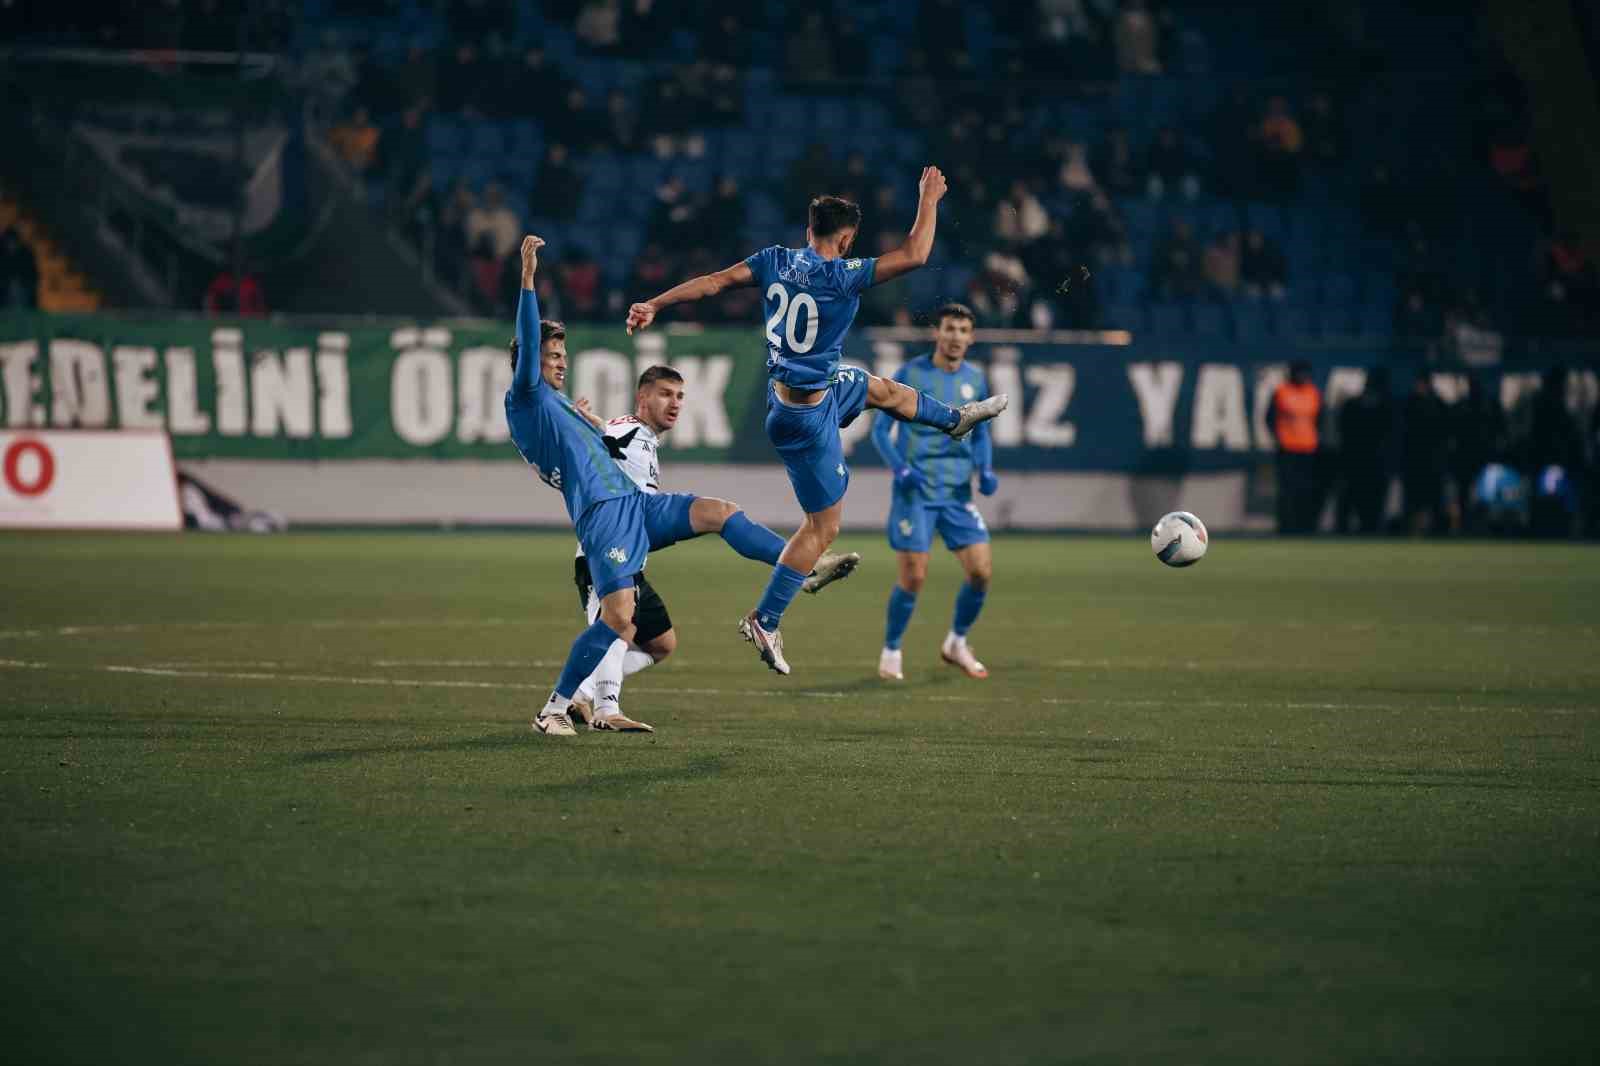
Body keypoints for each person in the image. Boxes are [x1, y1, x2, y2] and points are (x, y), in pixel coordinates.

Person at [624, 167, 1009, 675]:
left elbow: (714, 283)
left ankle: (953, 420)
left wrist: (655, 302)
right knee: (823, 527)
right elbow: (917, 253)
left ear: (809, 230)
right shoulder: (843, 275)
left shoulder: (774, 260)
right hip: (805, 420)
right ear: (846, 238)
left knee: (877, 387)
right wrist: (929, 198)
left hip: (804, 395)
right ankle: (765, 619)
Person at [507, 236, 853, 735]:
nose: (561, 361)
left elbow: (598, 446)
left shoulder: (558, 407)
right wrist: (527, 276)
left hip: (632, 504)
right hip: (604, 513)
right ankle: (555, 708)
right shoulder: (526, 396)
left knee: (720, 512)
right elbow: (532, 348)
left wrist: (591, 422)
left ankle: (803, 568)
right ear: (527, 360)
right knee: (619, 616)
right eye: (551, 354)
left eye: (562, 353)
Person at [870, 303, 997, 681]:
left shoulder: (975, 378)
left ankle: (957, 642)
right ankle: (891, 650)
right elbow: (879, 432)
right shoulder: (911, 374)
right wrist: (900, 468)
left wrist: (985, 468)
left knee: (981, 572)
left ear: (971, 338)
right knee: (914, 577)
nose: (956, 336)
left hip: (957, 494)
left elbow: (983, 432)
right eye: (950, 329)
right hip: (917, 492)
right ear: (937, 333)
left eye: (963, 330)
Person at [1336, 366, 1393, 534]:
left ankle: (1370, 529)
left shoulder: (1386, 408)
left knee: (1372, 503)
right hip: (1356, 461)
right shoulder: (1352, 406)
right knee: (1351, 499)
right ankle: (1345, 530)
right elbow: (1344, 432)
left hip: (1375, 463)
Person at [1267, 359, 1322, 534]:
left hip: (1308, 449)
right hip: (1288, 449)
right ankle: (1286, 527)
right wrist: (1278, 438)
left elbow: (1319, 419)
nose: (1303, 377)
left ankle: (1305, 526)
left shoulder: (1313, 392)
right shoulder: (1282, 392)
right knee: (1287, 490)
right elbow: (1269, 418)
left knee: (1306, 490)